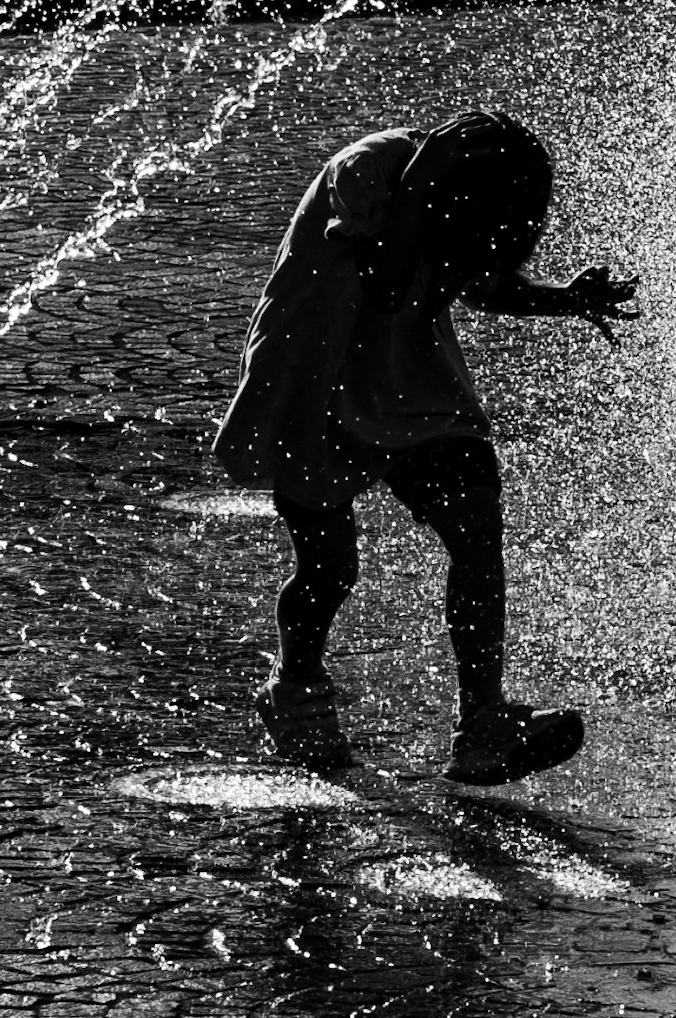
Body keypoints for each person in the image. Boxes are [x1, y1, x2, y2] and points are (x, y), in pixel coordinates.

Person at [211, 111, 637, 787]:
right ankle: (294, 686)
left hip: (408, 382)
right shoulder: (368, 169)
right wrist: (431, 171)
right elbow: (382, 279)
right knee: (330, 570)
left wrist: (564, 298)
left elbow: (483, 281)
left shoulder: (451, 206)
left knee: (476, 526)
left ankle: (483, 723)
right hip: (314, 379)